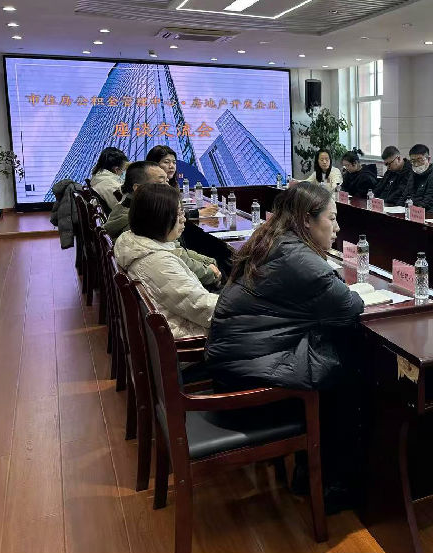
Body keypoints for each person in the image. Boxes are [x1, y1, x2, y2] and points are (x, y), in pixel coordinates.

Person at [205, 183, 364, 509]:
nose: (337, 227)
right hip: (249, 384)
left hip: (234, 365)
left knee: (337, 353)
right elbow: (349, 305)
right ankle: (333, 484)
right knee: (351, 370)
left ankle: (312, 471)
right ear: (306, 219)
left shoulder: (274, 240)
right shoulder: (299, 258)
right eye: (332, 218)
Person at [114, 183, 219, 339]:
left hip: (176, 321)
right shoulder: (158, 263)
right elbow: (202, 308)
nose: (184, 219)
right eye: (178, 214)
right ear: (158, 218)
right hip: (187, 332)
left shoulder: (135, 242)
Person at [106, 161, 222, 288]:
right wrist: (210, 272)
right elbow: (177, 257)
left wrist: (208, 262)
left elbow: (177, 250)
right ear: (138, 189)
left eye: (167, 181)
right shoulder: (139, 223)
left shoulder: (134, 212)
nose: (168, 187)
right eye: (161, 183)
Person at [403, 143, 433, 211]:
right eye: (413, 161)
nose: (416, 164)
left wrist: (413, 211)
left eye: (420, 160)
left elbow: (429, 203)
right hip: (409, 211)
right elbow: (404, 197)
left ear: (428, 159)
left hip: (424, 214)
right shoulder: (412, 175)